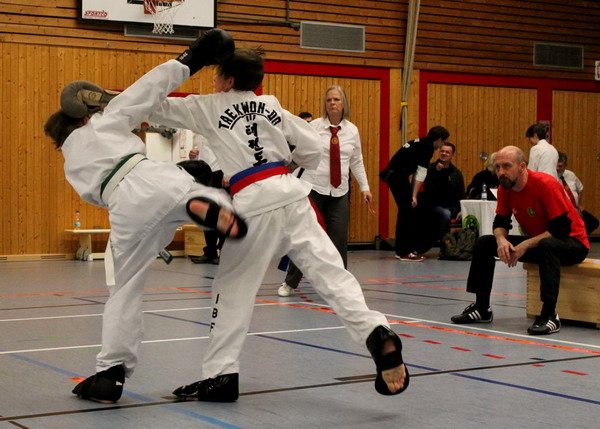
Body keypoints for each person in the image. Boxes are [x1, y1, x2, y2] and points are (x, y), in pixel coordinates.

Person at [149, 45, 409, 401]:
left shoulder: (208, 105)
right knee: (333, 276)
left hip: (253, 205)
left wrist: (114, 100)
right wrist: (285, 165)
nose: (212, 81)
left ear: (226, 80)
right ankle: (377, 333)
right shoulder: (271, 105)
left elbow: (153, 104)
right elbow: (312, 150)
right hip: (291, 196)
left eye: (215, 75)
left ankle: (221, 375)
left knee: (233, 291)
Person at [43, 29, 249, 404]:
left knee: (124, 288)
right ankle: (211, 203)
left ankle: (111, 372)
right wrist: (192, 57)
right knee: (189, 189)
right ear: (86, 118)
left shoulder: (71, 162)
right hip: (157, 177)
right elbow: (145, 91)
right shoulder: (103, 123)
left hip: (124, 205)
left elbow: (107, 191)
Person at [451, 146, 589, 335]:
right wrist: (501, 240)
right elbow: (500, 222)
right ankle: (482, 308)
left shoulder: (545, 184)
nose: (500, 172)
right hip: (540, 242)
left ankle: (549, 315)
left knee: (548, 245)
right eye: (497, 167)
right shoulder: (505, 188)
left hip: (572, 243)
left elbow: (560, 230)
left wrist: (524, 245)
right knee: (485, 242)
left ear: (522, 166)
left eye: (506, 166)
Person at [279, 87, 372, 297]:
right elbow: (299, 152)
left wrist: (365, 187)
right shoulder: (313, 126)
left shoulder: (352, 131)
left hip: (339, 191)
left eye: (336, 99)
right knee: (307, 236)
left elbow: (357, 161)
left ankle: (340, 285)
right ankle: (290, 282)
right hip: (314, 188)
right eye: (329, 100)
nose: (332, 103)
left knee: (338, 238)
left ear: (343, 103)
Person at [380, 125, 450, 261]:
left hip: (395, 175)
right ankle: (404, 252)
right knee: (407, 211)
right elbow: (420, 173)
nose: (442, 145)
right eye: (443, 142)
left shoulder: (420, 142)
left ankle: (402, 250)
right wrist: (414, 195)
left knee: (405, 211)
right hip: (397, 177)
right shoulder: (428, 147)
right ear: (439, 139)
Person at [418, 142, 465, 248]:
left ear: (452, 155)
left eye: (447, 152)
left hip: (451, 206)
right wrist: (437, 172)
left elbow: (461, 193)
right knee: (445, 214)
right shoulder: (430, 169)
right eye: (442, 151)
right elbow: (428, 188)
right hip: (432, 205)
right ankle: (445, 246)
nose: (444, 154)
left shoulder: (456, 173)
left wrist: (462, 209)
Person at [189, 134, 226, 264]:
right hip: (204, 175)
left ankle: (225, 253)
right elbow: (201, 155)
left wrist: (228, 173)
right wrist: (193, 156)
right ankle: (210, 252)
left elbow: (229, 154)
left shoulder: (219, 130)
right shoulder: (197, 134)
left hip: (219, 174)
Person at [557, 151, 599, 235]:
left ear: (566, 165)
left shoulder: (571, 175)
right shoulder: (552, 177)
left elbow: (580, 188)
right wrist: (571, 210)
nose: (557, 168)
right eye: (556, 165)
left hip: (575, 207)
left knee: (593, 222)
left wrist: (578, 204)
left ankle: (578, 238)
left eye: (560, 166)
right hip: (562, 210)